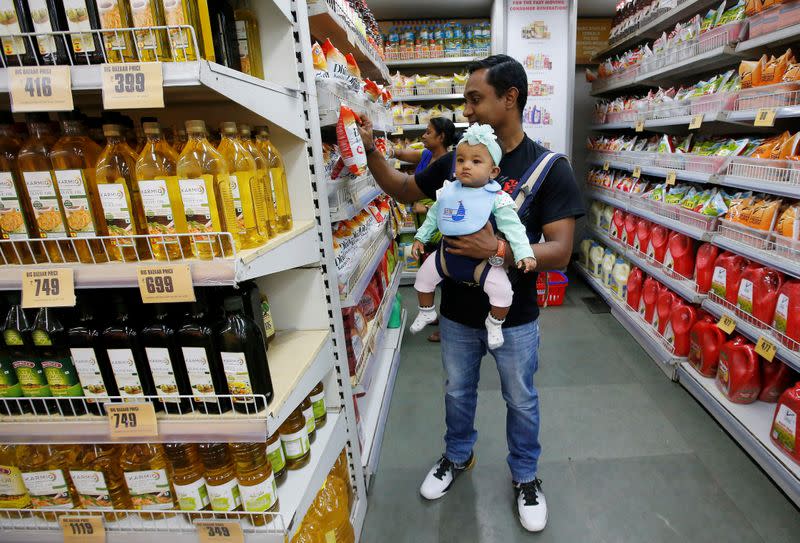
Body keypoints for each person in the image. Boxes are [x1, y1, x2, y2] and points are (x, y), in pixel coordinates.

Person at [357, 54, 584, 532]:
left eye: (476, 99)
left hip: (515, 314)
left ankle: (525, 476)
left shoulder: (549, 168)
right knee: (457, 391)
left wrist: (498, 248)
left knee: (520, 398)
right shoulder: (458, 160)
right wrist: (370, 148)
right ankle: (457, 457)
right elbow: (403, 188)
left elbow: (561, 250)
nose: (468, 109)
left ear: (510, 98)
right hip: (457, 312)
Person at [410, 123, 535, 350]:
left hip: (482, 264)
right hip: (445, 257)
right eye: (460, 160)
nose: (466, 166)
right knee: (422, 280)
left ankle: (495, 323)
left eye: (476, 161)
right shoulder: (448, 191)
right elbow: (433, 216)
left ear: (493, 171)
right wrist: (420, 237)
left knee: (503, 293)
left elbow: (515, 229)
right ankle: (427, 312)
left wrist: (524, 252)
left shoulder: (497, 198)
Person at [391, 116, 456, 173]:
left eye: (428, 133)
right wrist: (390, 151)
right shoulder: (427, 154)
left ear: (441, 137)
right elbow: (400, 154)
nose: (423, 136)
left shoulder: (447, 164)